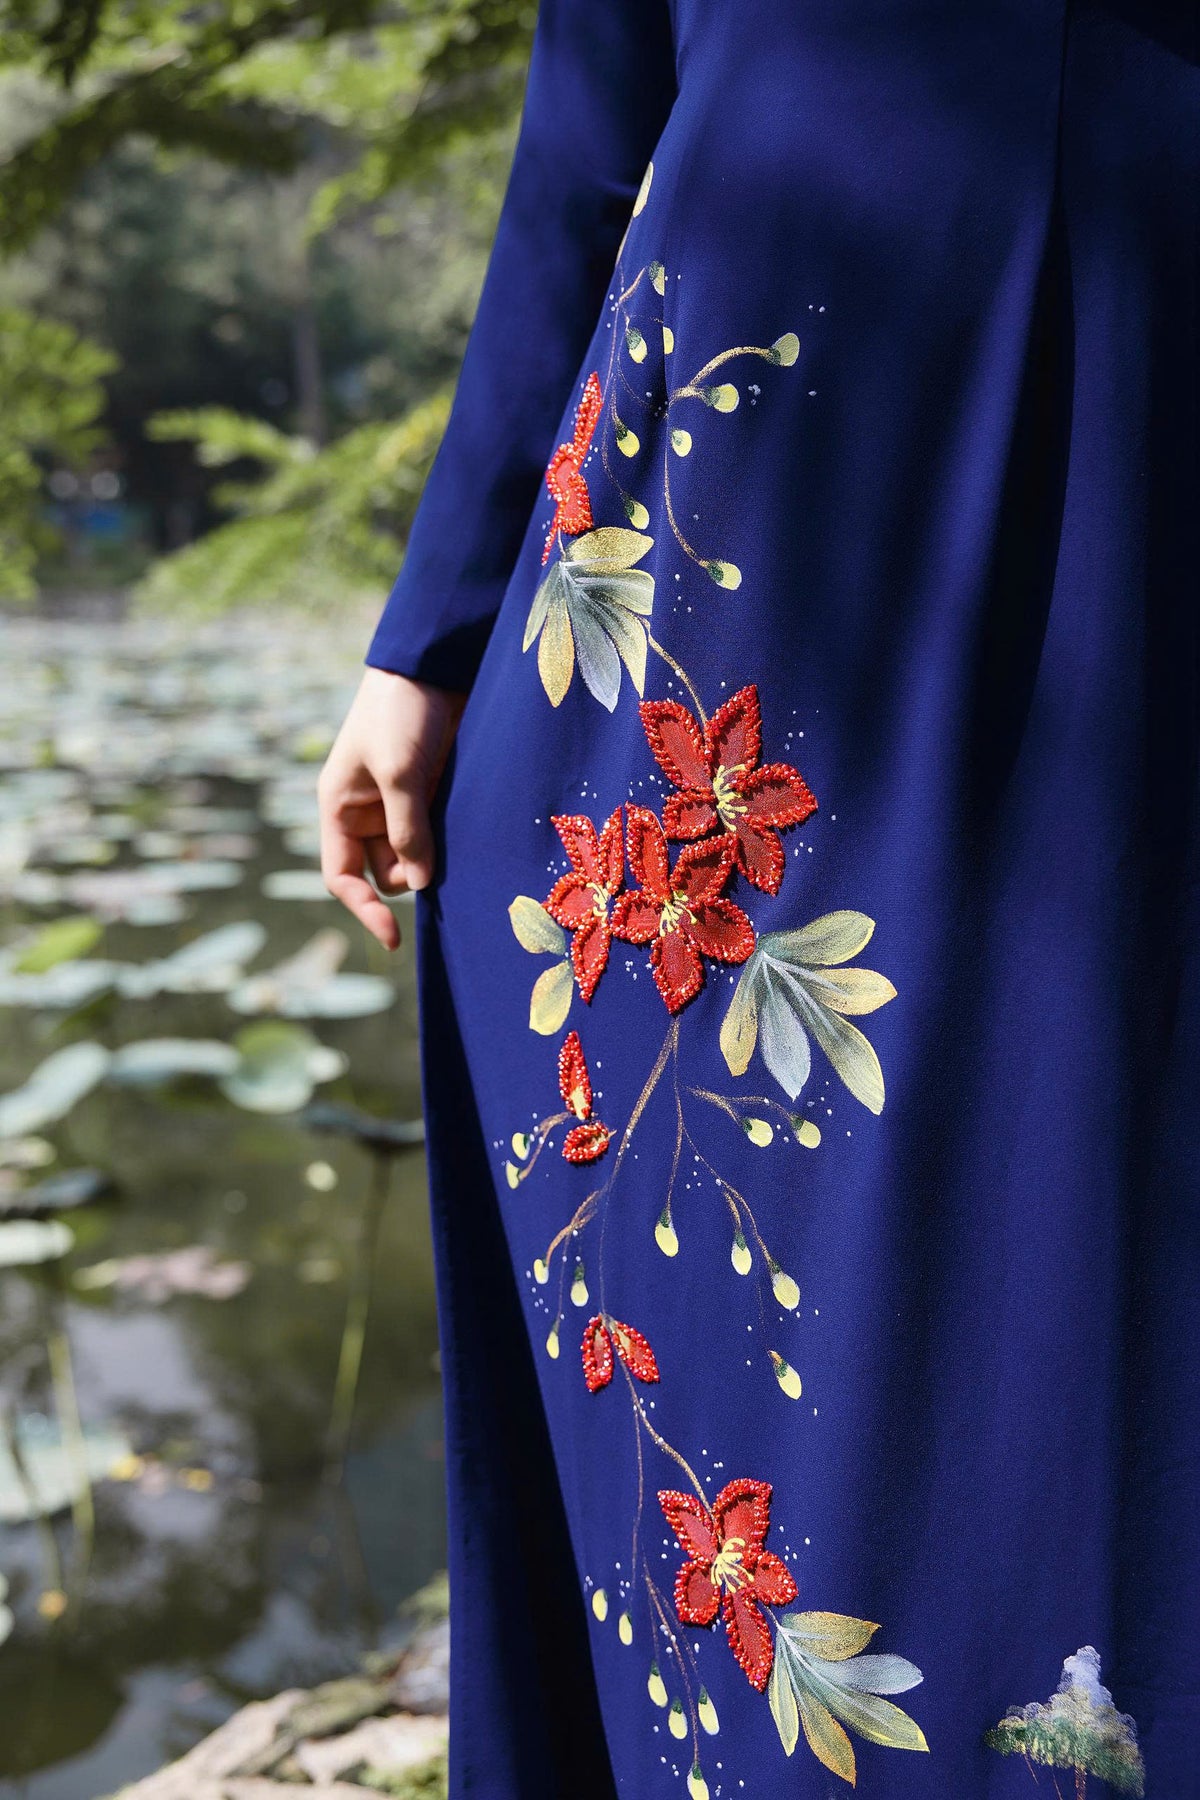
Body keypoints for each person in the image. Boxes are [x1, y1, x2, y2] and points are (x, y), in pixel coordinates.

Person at [319, 2, 1199, 1794]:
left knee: (1081, 1154)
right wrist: (432, 634)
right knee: (727, 1226)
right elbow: (584, 129)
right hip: (757, 405)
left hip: (1146, 361)